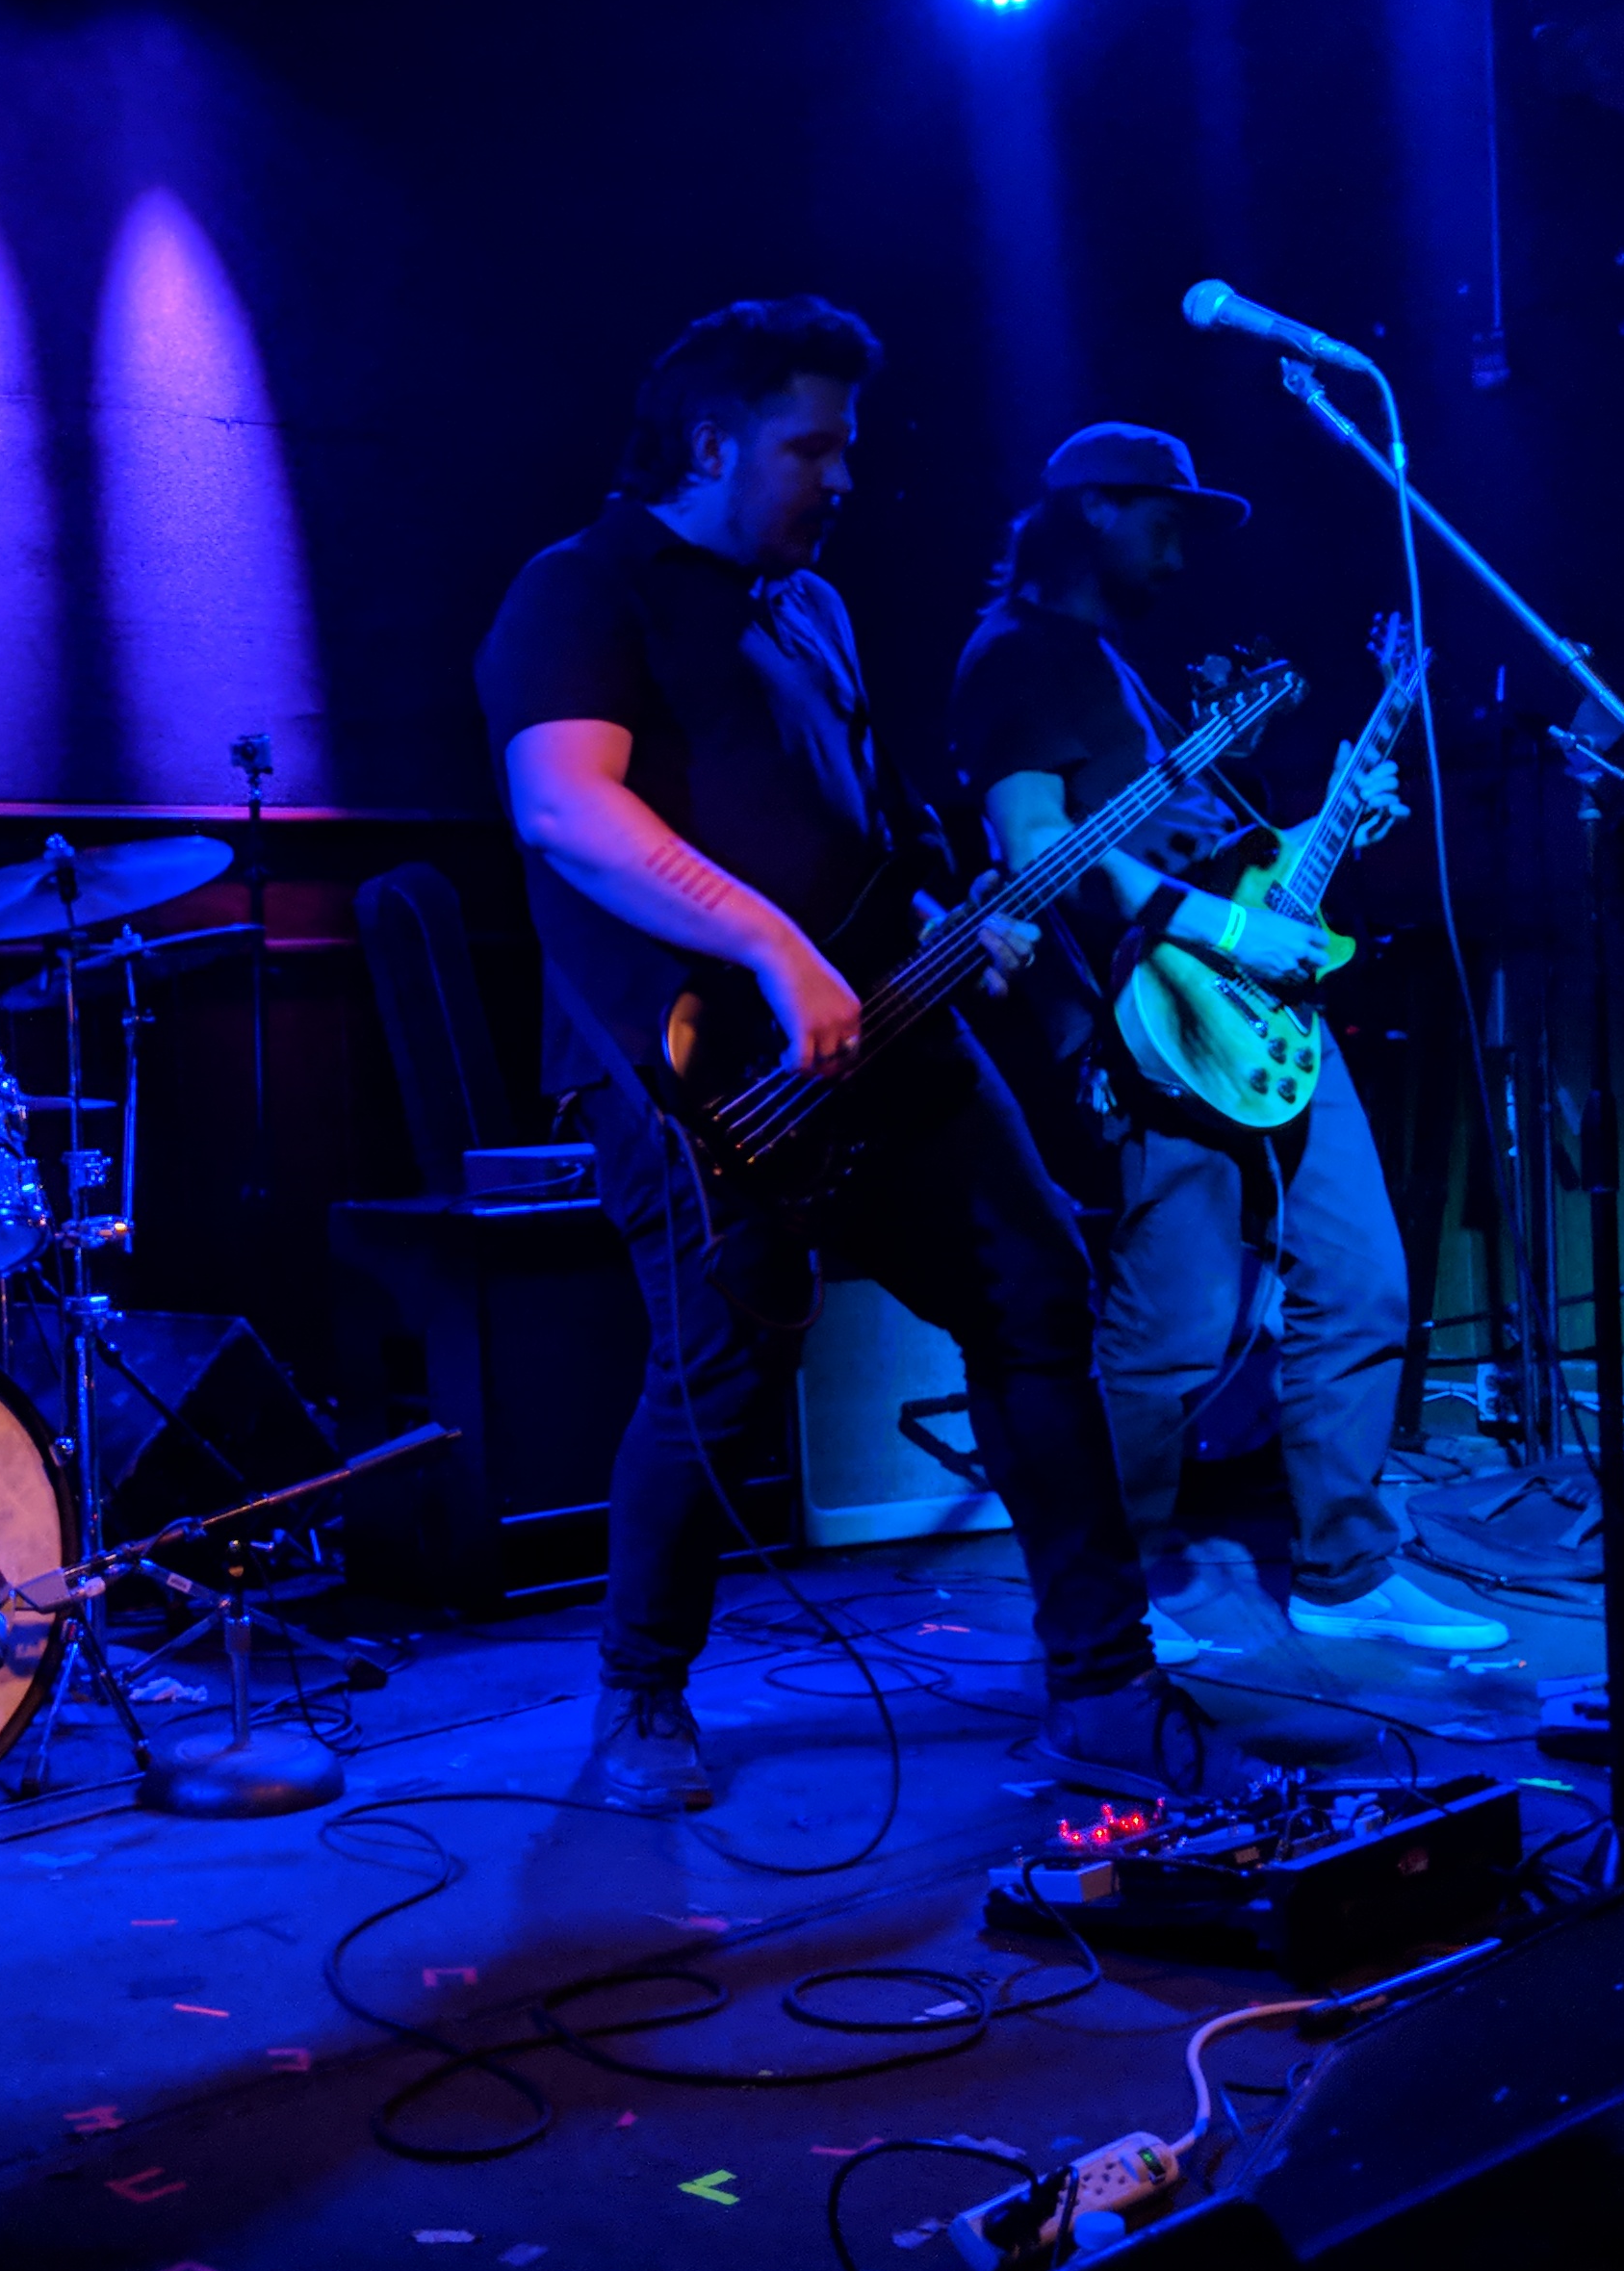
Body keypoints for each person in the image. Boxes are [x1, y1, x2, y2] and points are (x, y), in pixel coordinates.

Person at [476, 300, 1267, 1816]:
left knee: (1036, 1291)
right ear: (712, 444)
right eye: (813, 448)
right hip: (691, 1068)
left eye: (846, 447)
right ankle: (640, 1693)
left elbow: (869, 828)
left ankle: (1104, 1688)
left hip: (889, 1025)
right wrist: (774, 950)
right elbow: (566, 808)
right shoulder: (582, 589)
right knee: (721, 1369)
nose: (843, 477)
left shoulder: (811, 610)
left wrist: (953, 918)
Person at [948, 423, 1502, 1655]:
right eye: (1166, 523)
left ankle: (1347, 1572)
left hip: (1263, 1015)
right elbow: (1037, 847)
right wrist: (1232, 931)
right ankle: (1116, 1599)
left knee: (1363, 1280)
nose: (1181, 555)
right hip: (1156, 1027)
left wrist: (1328, 827)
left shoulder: (1120, 673)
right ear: (1095, 510)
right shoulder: (1017, 658)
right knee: (1175, 1327)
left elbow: (1215, 864)